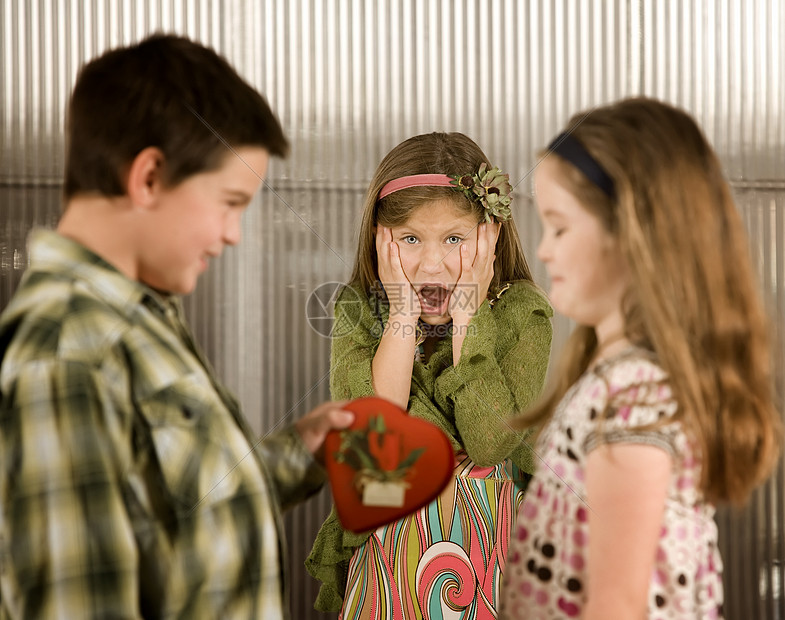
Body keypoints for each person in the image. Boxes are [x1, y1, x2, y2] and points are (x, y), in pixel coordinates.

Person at [0, 34, 354, 620]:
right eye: (230, 202)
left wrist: (302, 453)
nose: (235, 234)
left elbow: (166, 510)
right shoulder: (69, 357)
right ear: (149, 177)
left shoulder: (138, 317)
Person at [499, 97, 782, 619]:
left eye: (560, 227)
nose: (543, 250)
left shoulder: (632, 396)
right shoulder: (616, 379)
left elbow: (616, 605)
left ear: (630, 236)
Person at [306, 132, 554, 618]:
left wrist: (468, 315)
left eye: (455, 239)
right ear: (380, 238)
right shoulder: (358, 311)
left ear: (490, 237)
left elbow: (488, 442)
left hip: (491, 571)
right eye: (411, 239)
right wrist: (401, 315)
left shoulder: (523, 315)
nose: (431, 263)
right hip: (387, 576)